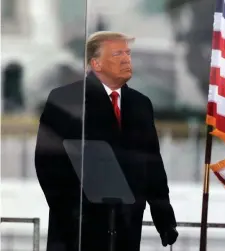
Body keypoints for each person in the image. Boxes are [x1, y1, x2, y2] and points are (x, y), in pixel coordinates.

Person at [34, 31, 178, 251]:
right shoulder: (66, 99)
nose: (126, 59)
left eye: (128, 53)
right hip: (77, 230)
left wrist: (163, 215)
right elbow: (47, 161)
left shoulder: (141, 104)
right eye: (117, 54)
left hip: (125, 227)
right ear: (96, 64)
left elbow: (152, 164)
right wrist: (71, 211)